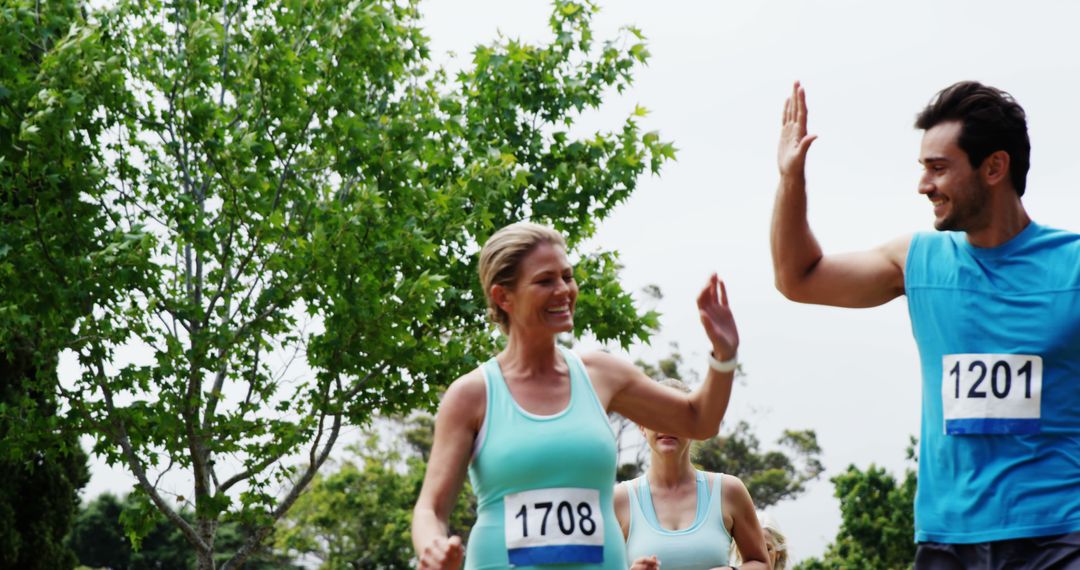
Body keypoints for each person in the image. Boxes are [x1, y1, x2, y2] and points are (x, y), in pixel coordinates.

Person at [771, 80, 1080, 569]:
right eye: (923, 168)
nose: (923, 185)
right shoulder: (917, 260)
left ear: (994, 167)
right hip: (946, 543)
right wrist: (792, 180)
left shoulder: (1073, 267)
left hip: (1060, 537)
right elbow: (799, 279)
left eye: (938, 168)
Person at [412, 222, 744, 569]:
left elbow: (698, 420)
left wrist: (724, 356)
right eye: (545, 281)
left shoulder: (601, 375)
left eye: (567, 277)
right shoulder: (472, 395)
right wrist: (432, 547)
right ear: (502, 296)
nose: (564, 290)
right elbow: (430, 509)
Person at [614, 378, 770, 570]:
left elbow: (762, 563)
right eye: (656, 414)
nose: (666, 423)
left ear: (695, 426)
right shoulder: (618, 500)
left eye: (676, 415)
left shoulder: (729, 491)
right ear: (641, 426)